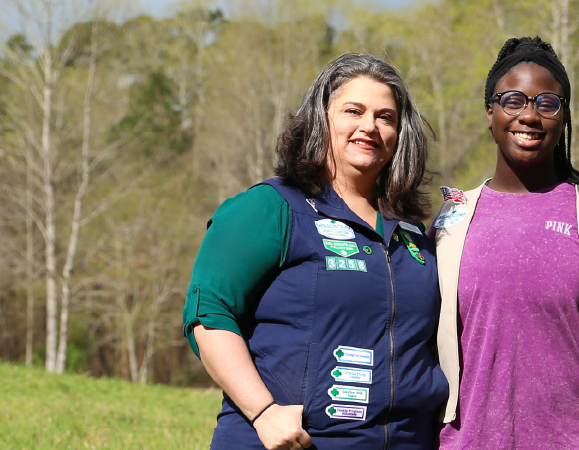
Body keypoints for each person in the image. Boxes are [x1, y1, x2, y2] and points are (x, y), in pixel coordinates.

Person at [183, 53, 444, 450]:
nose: (369, 126)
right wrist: (263, 411)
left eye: (385, 117)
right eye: (353, 111)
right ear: (320, 119)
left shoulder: (413, 233)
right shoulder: (271, 208)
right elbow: (208, 314)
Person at [432, 37, 579, 449]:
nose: (529, 115)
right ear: (489, 113)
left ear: (563, 118)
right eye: (513, 100)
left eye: (547, 103)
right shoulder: (450, 222)